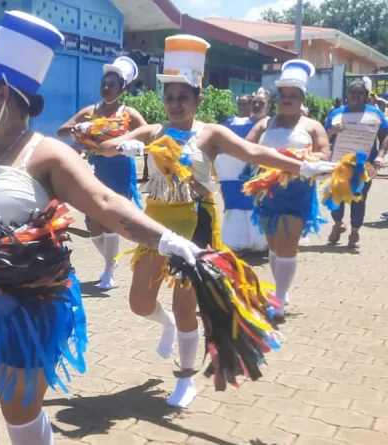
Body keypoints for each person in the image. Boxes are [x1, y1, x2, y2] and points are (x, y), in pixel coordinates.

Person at [0, 15, 209, 444]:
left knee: (19, 411)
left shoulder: (46, 154)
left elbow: (107, 203)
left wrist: (165, 239)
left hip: (26, 306)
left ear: (0, 96)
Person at [98, 39, 333, 408]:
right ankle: (166, 328)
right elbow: (107, 145)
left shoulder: (211, 134)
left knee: (184, 306)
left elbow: (257, 152)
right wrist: (121, 146)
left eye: (183, 97)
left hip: (198, 226)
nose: (175, 104)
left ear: (198, 99)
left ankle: (185, 379)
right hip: (154, 225)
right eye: (169, 96)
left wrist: (302, 166)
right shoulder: (153, 132)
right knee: (139, 303)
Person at [246, 59, 331, 317]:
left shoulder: (312, 126)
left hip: (298, 191)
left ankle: (280, 298)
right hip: (267, 191)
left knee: (287, 244)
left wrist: (303, 159)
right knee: (273, 244)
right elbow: (246, 147)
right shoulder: (265, 124)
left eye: (293, 96)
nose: (288, 100)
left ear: (302, 98)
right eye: (284, 95)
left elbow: (325, 153)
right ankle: (281, 287)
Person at [57, 56, 147, 290]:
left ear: (123, 88)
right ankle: (111, 261)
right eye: (104, 83)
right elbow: (62, 130)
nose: (106, 88)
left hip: (119, 170)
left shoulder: (129, 114)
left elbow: (150, 135)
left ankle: (108, 269)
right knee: (92, 224)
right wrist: (80, 128)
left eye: (112, 84)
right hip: (95, 170)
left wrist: (135, 146)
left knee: (110, 221)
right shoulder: (91, 111)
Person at [325, 79, 388, 247]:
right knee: (336, 196)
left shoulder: (376, 114)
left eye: (360, 93)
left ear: (367, 96)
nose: (356, 96)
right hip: (339, 165)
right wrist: (332, 131)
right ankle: (338, 225)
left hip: (364, 166)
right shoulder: (336, 113)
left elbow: (385, 136)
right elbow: (323, 136)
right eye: (353, 92)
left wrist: (381, 155)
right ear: (347, 95)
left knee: (359, 198)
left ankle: (355, 232)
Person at [215, 93, 267, 252]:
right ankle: (237, 241)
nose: (243, 107)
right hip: (232, 170)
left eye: (247, 104)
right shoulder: (231, 122)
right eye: (241, 104)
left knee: (254, 202)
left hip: (255, 167)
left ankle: (260, 241)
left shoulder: (265, 123)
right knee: (236, 202)